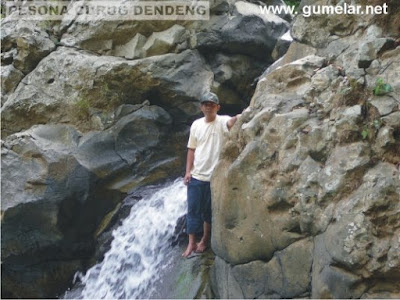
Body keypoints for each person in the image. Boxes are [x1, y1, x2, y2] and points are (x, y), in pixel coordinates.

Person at [182, 92, 240, 258]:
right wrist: (187, 171)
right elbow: (191, 149)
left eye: (212, 104)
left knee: (208, 212)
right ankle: (191, 242)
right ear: (201, 107)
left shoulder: (222, 121)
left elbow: (231, 122)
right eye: (206, 104)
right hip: (196, 176)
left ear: (217, 107)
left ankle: (205, 240)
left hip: (214, 178)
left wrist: (240, 115)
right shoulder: (196, 125)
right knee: (192, 210)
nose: (209, 107)